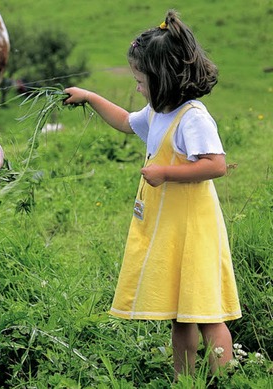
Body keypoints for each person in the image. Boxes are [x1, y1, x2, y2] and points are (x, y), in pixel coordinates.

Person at [63, 9, 241, 380]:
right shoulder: (159, 111)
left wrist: (166, 173)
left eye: (141, 80)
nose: (138, 87)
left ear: (164, 79)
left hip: (194, 230)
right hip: (171, 231)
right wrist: (91, 97)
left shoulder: (193, 117)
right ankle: (184, 380)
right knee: (180, 312)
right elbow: (127, 123)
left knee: (208, 313)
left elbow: (216, 164)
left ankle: (228, 380)